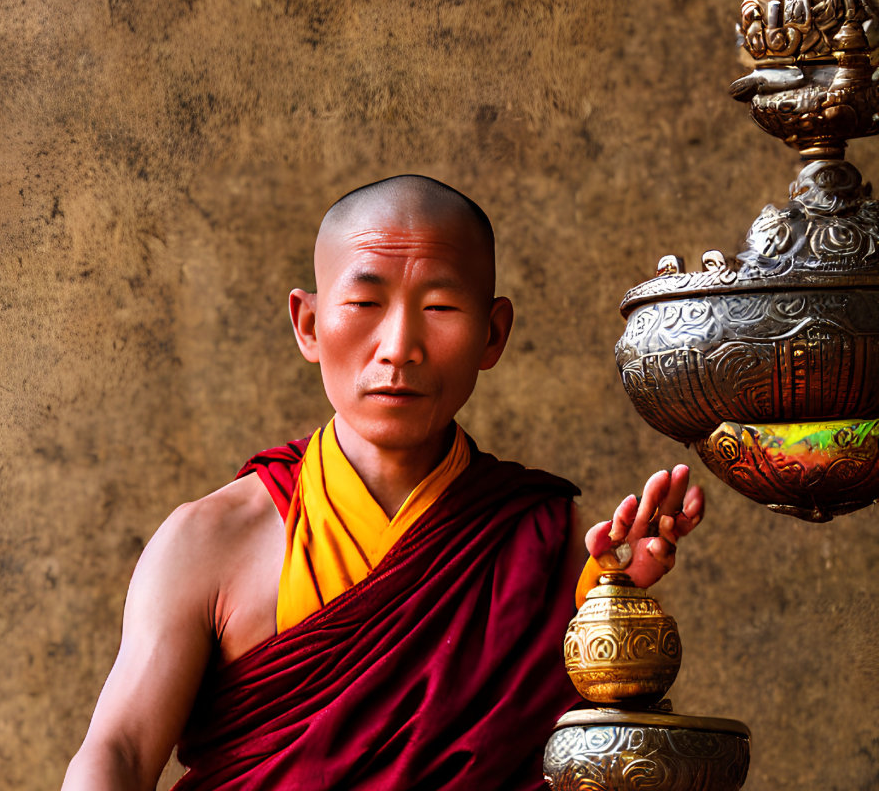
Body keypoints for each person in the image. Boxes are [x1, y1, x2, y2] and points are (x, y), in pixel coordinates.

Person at [62, 175, 703, 790]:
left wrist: (615, 605)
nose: (399, 346)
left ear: (493, 332)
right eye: (365, 304)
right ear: (308, 324)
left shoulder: (545, 542)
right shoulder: (208, 543)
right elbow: (118, 751)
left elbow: (600, 763)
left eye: (441, 307)